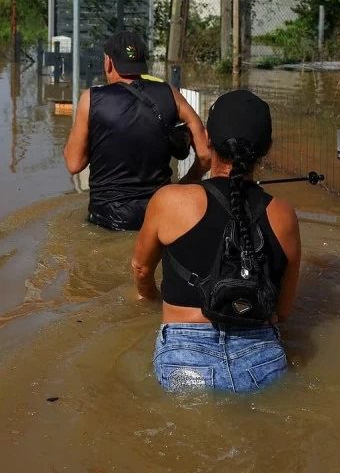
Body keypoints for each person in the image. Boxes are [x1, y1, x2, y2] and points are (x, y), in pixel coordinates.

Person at [130, 89, 302, 393]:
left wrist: (148, 298)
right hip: (262, 361)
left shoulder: (170, 201)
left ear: (207, 139)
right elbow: (283, 312)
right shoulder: (285, 215)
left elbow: (142, 271)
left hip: (183, 359)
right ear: (267, 148)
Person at [63, 31, 211, 231]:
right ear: (142, 63)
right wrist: (186, 182)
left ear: (108, 62)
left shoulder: (91, 99)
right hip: (159, 215)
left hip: (105, 219)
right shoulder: (171, 94)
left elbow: (74, 163)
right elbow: (204, 154)